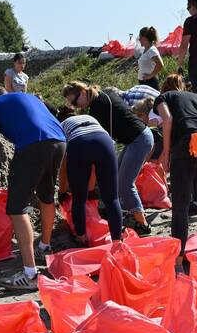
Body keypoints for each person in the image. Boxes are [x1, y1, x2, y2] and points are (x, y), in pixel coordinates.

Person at [0, 85, 65, 291]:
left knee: (16, 208)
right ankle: (44, 246)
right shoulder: (29, 97)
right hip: (59, 141)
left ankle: (30, 274)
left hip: (32, 146)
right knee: (46, 195)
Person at [63, 81, 153, 235]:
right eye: (72, 104)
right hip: (136, 138)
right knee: (117, 178)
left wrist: (90, 188)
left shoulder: (98, 107)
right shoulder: (105, 95)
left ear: (83, 92)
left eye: (74, 101)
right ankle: (123, 213)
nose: (75, 106)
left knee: (125, 183)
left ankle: (142, 224)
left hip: (139, 139)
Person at [155, 74, 197, 251]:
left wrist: (166, 153)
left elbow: (167, 120)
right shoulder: (196, 96)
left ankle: (178, 260)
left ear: (164, 88)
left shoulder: (163, 97)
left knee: (180, 204)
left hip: (187, 140)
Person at [56, 108, 125, 245]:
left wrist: (62, 191)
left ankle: (81, 238)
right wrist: (91, 189)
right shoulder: (88, 117)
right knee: (112, 198)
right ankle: (117, 240)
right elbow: (93, 165)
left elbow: (64, 166)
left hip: (79, 143)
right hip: (105, 142)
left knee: (79, 198)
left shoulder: (61, 126)